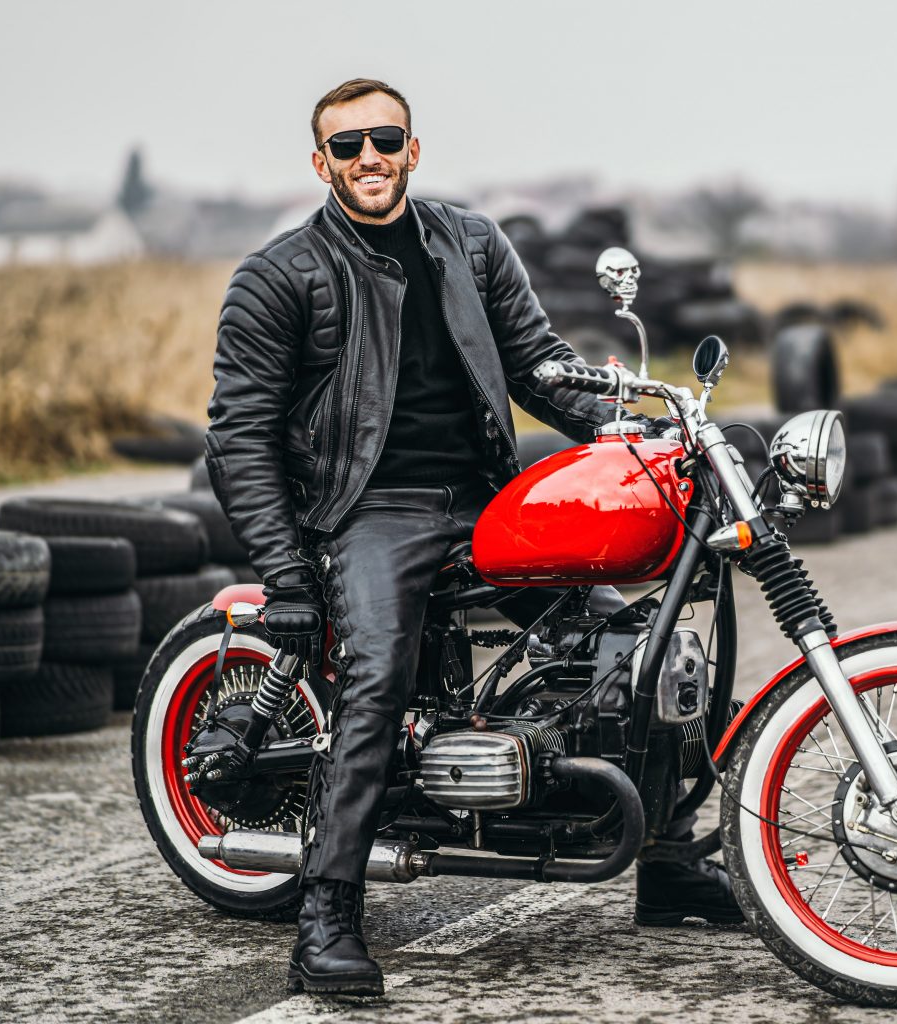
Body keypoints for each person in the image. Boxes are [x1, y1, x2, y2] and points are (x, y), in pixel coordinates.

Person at [205, 78, 740, 998]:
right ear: (320, 161)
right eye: (348, 145)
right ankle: (327, 916)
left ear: (414, 148)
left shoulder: (470, 243)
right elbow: (239, 434)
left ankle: (668, 858)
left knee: (634, 646)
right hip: (370, 508)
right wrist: (288, 576)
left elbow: (538, 368)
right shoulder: (281, 274)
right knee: (375, 675)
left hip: (487, 499)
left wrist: (631, 425)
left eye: (386, 138)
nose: (369, 157)